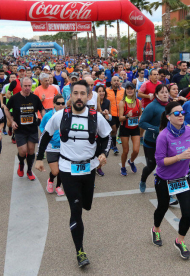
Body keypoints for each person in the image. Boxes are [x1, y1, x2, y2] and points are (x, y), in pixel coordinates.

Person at [35, 80, 112, 268]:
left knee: (86, 205)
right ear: (70, 96)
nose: (78, 97)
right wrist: (38, 158)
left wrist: (104, 153)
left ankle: (80, 212)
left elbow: (107, 137)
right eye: (75, 93)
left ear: (88, 96)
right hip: (68, 169)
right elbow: (45, 135)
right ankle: (80, 251)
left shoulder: (96, 117)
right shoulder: (61, 115)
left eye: (82, 94)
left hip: (89, 168)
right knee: (76, 210)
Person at [151, 101, 190, 260]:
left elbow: (189, 146)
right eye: (176, 113)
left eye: (182, 112)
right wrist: (179, 157)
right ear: (168, 116)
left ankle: (180, 240)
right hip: (165, 179)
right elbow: (160, 162)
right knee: (162, 208)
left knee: (188, 212)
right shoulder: (163, 136)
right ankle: (156, 229)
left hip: (183, 178)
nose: (180, 115)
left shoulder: (189, 131)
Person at [4, 77, 45, 180]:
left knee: (31, 151)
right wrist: (12, 121)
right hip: (20, 129)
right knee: (23, 151)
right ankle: (21, 164)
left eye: (29, 86)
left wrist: (45, 120)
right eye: (25, 86)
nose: (27, 88)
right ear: (21, 86)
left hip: (32, 129)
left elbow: (42, 109)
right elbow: (6, 109)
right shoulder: (15, 98)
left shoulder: (35, 98)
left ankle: (29, 170)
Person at [138, 85, 172, 196]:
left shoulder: (171, 106)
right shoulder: (152, 106)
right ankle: (143, 180)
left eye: (166, 92)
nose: (165, 94)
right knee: (151, 166)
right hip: (151, 142)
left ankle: (168, 193)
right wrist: (157, 130)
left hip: (167, 142)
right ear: (156, 94)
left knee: (166, 167)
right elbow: (142, 122)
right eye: (162, 92)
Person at [39, 94, 65, 196]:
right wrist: (49, 137)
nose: (61, 105)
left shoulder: (67, 115)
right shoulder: (48, 115)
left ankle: (58, 186)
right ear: (54, 104)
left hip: (64, 147)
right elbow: (42, 127)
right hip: (51, 147)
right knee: (55, 171)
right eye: (58, 103)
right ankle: (50, 180)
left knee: (62, 169)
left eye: (63, 103)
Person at [118, 83, 142, 176]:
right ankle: (123, 167)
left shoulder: (138, 102)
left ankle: (131, 161)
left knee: (136, 150)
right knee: (126, 151)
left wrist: (140, 117)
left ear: (134, 90)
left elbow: (140, 113)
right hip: (125, 128)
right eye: (127, 89)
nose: (129, 90)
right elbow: (120, 118)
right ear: (125, 91)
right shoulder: (122, 103)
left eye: (131, 88)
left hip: (135, 127)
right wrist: (127, 116)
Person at [95, 85, 112, 177]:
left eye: (103, 91)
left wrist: (107, 115)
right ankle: (92, 168)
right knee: (95, 148)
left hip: (104, 127)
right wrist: (101, 112)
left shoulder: (107, 102)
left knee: (103, 148)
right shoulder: (93, 102)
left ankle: (99, 168)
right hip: (95, 128)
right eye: (99, 91)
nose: (101, 93)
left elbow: (110, 116)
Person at [106, 76, 125, 154]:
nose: (116, 82)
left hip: (120, 114)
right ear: (111, 82)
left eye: (118, 80)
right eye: (114, 80)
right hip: (111, 113)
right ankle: (114, 146)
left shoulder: (123, 90)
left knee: (115, 130)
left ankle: (111, 141)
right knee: (113, 129)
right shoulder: (107, 90)